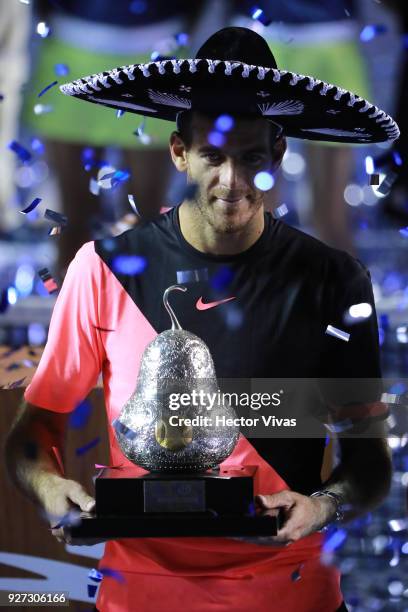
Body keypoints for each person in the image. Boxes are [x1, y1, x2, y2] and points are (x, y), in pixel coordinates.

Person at [5, 27, 397, 612]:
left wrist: (322, 506)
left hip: (289, 594)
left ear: (278, 156)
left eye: (251, 158)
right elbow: (33, 435)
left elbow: (367, 462)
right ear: (179, 152)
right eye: (213, 155)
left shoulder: (332, 281)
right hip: (141, 594)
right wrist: (49, 488)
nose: (232, 182)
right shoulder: (105, 271)